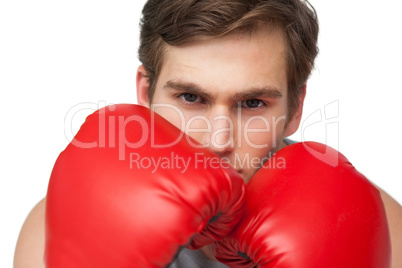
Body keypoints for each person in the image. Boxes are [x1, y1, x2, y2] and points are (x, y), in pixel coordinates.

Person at [14, 0, 402, 267]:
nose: (218, 142)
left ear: (295, 108)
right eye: (190, 97)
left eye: (252, 104)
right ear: (145, 94)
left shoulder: (379, 227)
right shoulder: (60, 227)